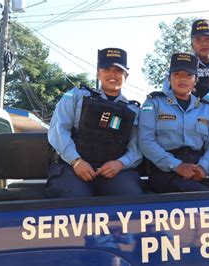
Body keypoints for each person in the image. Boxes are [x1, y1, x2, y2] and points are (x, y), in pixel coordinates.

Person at [47, 48, 143, 198]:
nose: (113, 74)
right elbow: (58, 130)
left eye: (118, 70)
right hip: (72, 167)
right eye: (107, 69)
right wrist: (76, 161)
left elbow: (137, 146)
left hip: (115, 172)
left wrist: (121, 163)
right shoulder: (75, 96)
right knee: (74, 200)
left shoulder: (134, 110)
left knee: (130, 199)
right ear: (98, 73)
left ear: (126, 75)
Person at [139, 53, 209, 193]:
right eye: (177, 75)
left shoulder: (206, 108)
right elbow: (145, 141)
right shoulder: (154, 103)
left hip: (198, 166)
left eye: (188, 75)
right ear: (169, 78)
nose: (182, 79)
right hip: (165, 169)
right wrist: (177, 166)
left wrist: (204, 167)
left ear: (195, 80)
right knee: (200, 195)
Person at [163, 19, 209, 107]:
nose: (204, 43)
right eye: (198, 40)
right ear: (192, 45)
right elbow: (167, 101)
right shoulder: (178, 70)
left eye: (208, 39)